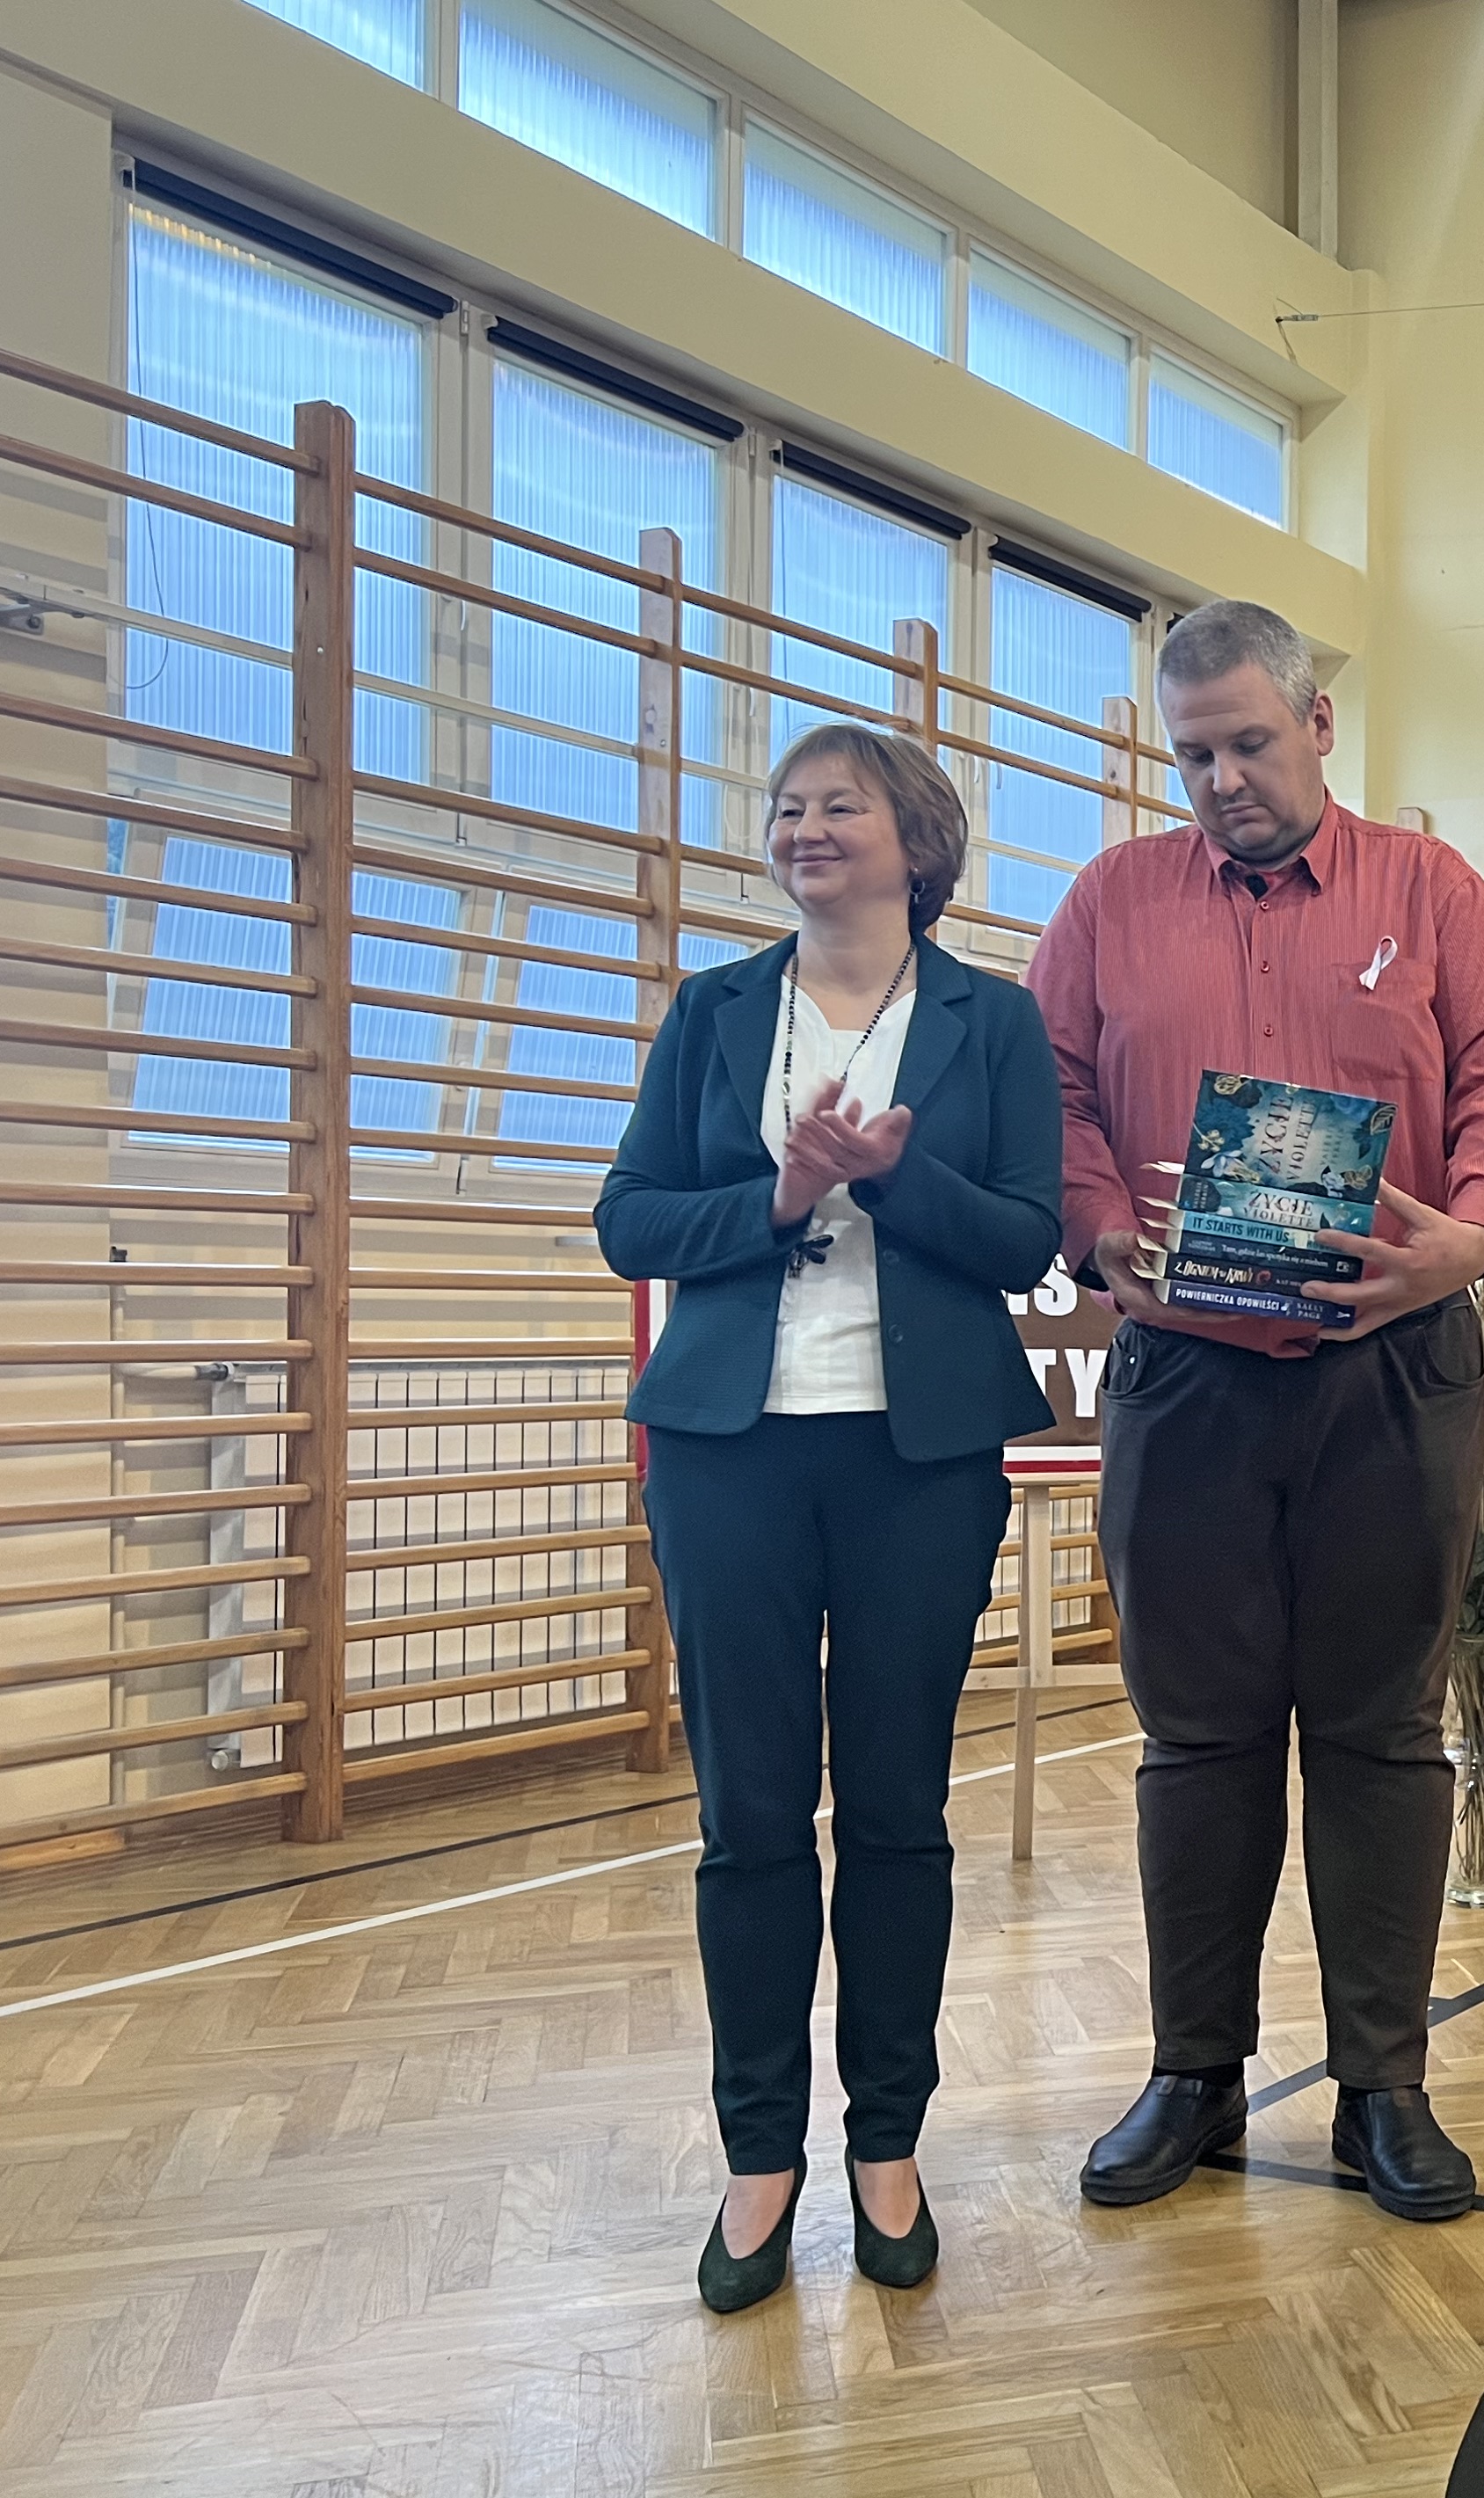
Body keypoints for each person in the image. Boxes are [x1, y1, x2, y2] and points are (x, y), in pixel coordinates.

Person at [1027, 600, 1484, 2224]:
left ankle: (1383, 2089)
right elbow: (1049, 1090)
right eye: (1191, 754)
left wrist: (1474, 1237)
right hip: (1185, 1371)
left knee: (1383, 1731)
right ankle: (1193, 2073)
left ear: (1320, 724)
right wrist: (1096, 1228)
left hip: (1391, 1366)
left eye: (1250, 744)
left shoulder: (1432, 890)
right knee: (1197, 1736)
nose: (1222, 781)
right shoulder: (1111, 904)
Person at [599, 723, 1064, 2313]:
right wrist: (783, 1199)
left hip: (917, 1462)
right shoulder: (715, 1010)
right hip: (726, 1455)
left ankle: (887, 2146)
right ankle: (757, 2158)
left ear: (915, 843)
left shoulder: (995, 1021)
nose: (805, 828)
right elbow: (629, 1220)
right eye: (787, 807)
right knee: (748, 1819)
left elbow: (1025, 1238)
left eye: (838, 807)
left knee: (896, 1814)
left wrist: (889, 1179)